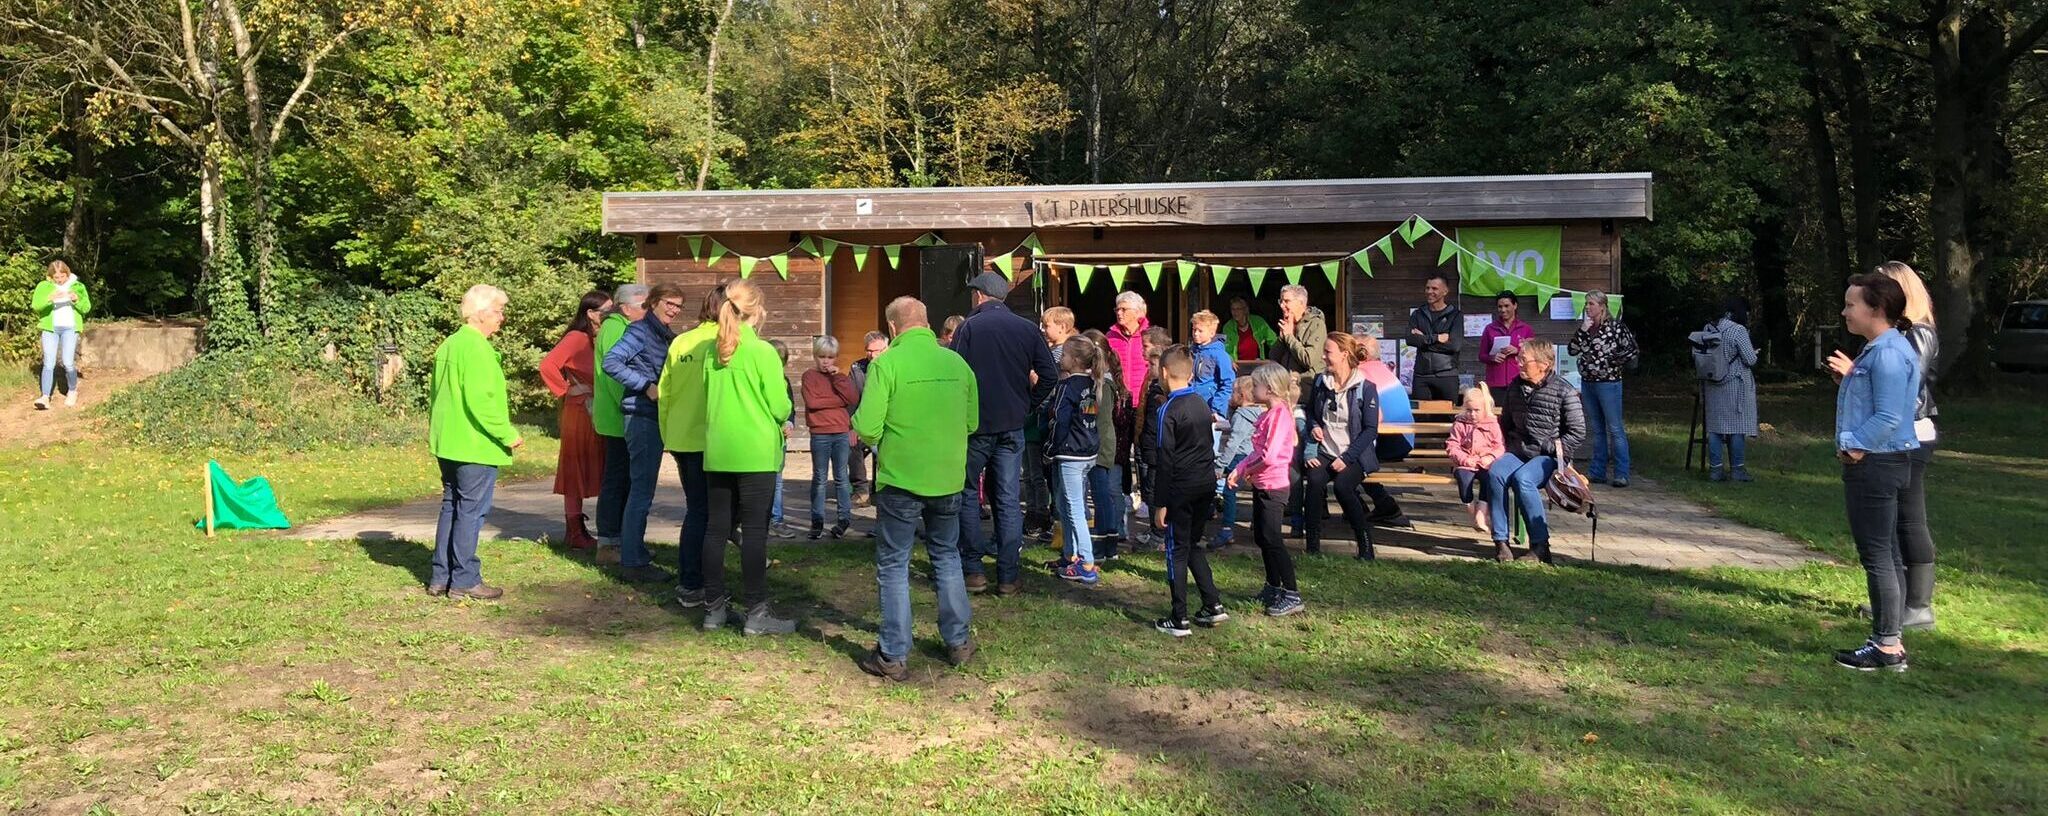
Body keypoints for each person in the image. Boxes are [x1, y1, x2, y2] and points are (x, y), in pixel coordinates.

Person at [851, 297, 980, 680]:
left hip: (901, 479)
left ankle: (893, 654)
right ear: (927, 322)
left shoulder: (886, 364)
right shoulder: (956, 362)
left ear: (892, 328)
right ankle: (958, 641)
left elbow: (868, 427)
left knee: (894, 564)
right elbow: (971, 421)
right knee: (946, 556)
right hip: (947, 478)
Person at [1829, 273, 1923, 672]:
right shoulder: (1883, 349)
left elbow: (1888, 415)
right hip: (1887, 460)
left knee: (1878, 555)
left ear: (1877, 309)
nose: (1845, 311)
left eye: (1852, 304)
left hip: (1876, 462)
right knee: (1887, 553)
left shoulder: (1885, 352)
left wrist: (1854, 445)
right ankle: (1888, 640)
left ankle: (1886, 646)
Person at [699, 279, 799, 635]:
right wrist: (784, 413)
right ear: (757, 311)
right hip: (755, 452)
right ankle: (756, 613)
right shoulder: (762, 353)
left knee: (715, 530)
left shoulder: (714, 350)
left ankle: (713, 610)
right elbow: (779, 405)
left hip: (719, 450)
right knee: (755, 533)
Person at [949, 271, 1057, 595]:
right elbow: (1049, 375)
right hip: (1013, 425)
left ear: (980, 295)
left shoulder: (968, 327)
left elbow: (954, 375)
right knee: (1009, 500)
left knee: (968, 493)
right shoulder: (1027, 328)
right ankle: (1008, 576)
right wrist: (1028, 405)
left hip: (976, 426)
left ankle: (974, 571)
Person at [426, 284, 523, 600]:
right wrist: (508, 434)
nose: (502, 318)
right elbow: (482, 402)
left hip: (448, 441)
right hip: (473, 443)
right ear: (480, 314)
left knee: (451, 507)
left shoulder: (449, 344)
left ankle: (441, 577)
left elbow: (436, 397)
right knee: (470, 511)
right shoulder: (477, 348)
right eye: (498, 311)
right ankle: (466, 579)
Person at [1869, 261, 1939, 629]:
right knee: (1896, 519)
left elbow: (1904, 384)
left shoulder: (1919, 334)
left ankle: (1919, 605)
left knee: (1909, 518)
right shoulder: (1899, 335)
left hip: (1913, 434)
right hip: (1901, 433)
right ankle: (1901, 603)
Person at [600, 283, 685, 584]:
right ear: (654, 302)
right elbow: (610, 362)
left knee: (642, 489)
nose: (674, 310)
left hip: (656, 418)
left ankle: (634, 551)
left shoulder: (665, 334)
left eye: (678, 306)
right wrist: (645, 385)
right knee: (641, 490)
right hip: (640, 417)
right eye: (669, 303)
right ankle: (633, 561)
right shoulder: (639, 330)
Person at [1150, 345, 1230, 637]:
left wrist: (1160, 503)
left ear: (1163, 373)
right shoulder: (1200, 403)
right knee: (1193, 544)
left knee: (1176, 550)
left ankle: (1178, 617)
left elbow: (1164, 459)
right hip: (1205, 483)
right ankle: (1213, 605)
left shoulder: (1167, 409)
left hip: (1180, 488)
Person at [1487, 339, 1587, 564]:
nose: (1519, 364)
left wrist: (1549, 447)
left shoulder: (1564, 391)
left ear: (1543, 364)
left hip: (1549, 456)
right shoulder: (1515, 387)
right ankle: (1501, 542)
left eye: (1524, 360)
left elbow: (1578, 432)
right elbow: (1506, 422)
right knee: (1496, 474)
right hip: (1519, 450)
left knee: (1524, 479)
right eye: (1519, 359)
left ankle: (1540, 546)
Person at [658, 284, 727, 607]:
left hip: (680, 436)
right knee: (710, 514)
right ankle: (696, 582)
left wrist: (667, 434)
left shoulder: (681, 341)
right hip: (710, 439)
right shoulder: (723, 342)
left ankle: (692, 580)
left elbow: (665, 393)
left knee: (697, 510)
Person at [537, 290, 611, 551]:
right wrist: (565, 390)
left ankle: (599, 529)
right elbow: (547, 366)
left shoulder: (600, 338)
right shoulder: (576, 338)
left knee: (599, 466)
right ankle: (574, 531)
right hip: (579, 411)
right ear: (590, 314)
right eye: (606, 311)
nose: (610, 315)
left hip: (597, 409)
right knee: (575, 468)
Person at [1228, 363, 1302, 616]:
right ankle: (1273, 585)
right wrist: (1240, 467)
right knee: (1262, 536)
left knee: (1273, 539)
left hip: (1274, 486)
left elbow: (1269, 457)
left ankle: (1291, 593)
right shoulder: (1268, 414)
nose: (1252, 388)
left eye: (1256, 384)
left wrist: (1248, 470)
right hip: (1262, 484)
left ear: (1268, 389)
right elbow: (1257, 452)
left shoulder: (1280, 415)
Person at [1302, 332, 1381, 560]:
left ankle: (1365, 545)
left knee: (1343, 488)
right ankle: (1312, 546)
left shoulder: (1365, 387)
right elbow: (1310, 412)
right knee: (1314, 482)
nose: (1324, 357)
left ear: (1345, 354)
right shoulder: (1320, 381)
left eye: (1328, 352)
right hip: (1326, 449)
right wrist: (1314, 425)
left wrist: (1346, 458)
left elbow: (1370, 430)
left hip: (1354, 453)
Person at [591, 284, 648, 558]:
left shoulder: (617, 326)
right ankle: (609, 542)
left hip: (618, 415)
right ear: (626, 308)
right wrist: (629, 409)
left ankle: (619, 540)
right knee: (617, 480)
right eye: (644, 307)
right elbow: (617, 375)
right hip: (619, 417)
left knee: (622, 478)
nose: (648, 312)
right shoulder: (616, 328)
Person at [1044, 337, 1104, 584]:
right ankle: (1070, 554)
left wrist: (1049, 448)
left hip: (1071, 453)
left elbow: (1060, 421)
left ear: (1076, 360)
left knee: (1074, 507)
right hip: (1086, 451)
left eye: (1065, 354)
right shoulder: (1090, 384)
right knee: (1065, 502)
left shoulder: (1068, 386)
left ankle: (1087, 562)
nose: (1061, 359)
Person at [1569, 291, 1640, 487]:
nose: (1587, 307)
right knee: (1598, 429)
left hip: (1609, 383)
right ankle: (1597, 471)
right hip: (1588, 382)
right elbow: (1572, 350)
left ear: (1602, 306)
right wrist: (1583, 330)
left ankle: (1621, 472)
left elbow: (1632, 349)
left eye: (1591, 304)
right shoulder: (1587, 328)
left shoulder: (1615, 328)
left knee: (1615, 428)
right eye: (1586, 304)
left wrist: (1612, 361)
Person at [1025, 307, 1079, 539]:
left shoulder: (1064, 354)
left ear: (1062, 327)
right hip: (1036, 418)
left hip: (1048, 418)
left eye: (1047, 325)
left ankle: (1046, 516)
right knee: (1032, 472)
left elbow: (1054, 384)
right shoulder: (1051, 350)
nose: (1043, 329)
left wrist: (1035, 378)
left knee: (1044, 474)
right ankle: (1037, 513)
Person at [802, 335, 860, 540]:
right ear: (815, 356)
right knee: (819, 478)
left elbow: (852, 398)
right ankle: (817, 520)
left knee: (841, 477)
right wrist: (839, 401)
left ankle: (844, 519)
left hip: (841, 432)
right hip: (820, 433)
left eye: (830, 357)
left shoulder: (840, 377)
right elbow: (813, 403)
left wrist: (838, 378)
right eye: (821, 356)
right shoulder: (809, 376)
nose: (825, 361)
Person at [1081, 329, 1130, 560]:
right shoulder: (1100, 381)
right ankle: (1108, 544)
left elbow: (1096, 415)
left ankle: (1104, 546)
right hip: (1099, 441)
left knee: (1101, 496)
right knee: (1101, 495)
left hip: (1100, 444)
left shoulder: (1103, 383)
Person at [1700, 296, 1759, 482]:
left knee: (1715, 429)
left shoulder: (1710, 327)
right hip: (1734, 384)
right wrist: (1755, 353)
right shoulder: (1738, 330)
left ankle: (1715, 470)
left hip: (1712, 384)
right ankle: (1737, 470)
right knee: (1736, 428)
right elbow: (1750, 359)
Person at [1354, 337, 1412, 524]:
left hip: (1393, 439)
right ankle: (1377, 506)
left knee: (1348, 458)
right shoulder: (1383, 369)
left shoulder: (1361, 373)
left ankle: (1382, 506)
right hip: (1405, 438)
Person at [1132, 326, 1174, 549]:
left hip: (1158, 449)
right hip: (1147, 444)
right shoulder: (1151, 380)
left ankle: (1160, 535)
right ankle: (1154, 531)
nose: (1143, 356)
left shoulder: (1164, 393)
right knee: (1148, 489)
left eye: (1146, 348)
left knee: (1157, 491)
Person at [31, 260, 91, 409]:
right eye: (56, 277)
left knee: (68, 362)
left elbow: (86, 308)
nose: (59, 280)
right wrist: (49, 299)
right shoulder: (44, 287)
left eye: (62, 276)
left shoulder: (78, 286)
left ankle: (72, 390)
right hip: (50, 328)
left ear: (67, 273)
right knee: (49, 363)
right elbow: (36, 306)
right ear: (51, 276)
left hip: (70, 328)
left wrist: (76, 300)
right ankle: (45, 397)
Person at [1447, 385, 1504, 534]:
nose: (1472, 414)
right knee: (1463, 479)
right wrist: (1465, 459)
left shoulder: (1492, 424)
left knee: (1489, 479)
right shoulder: (1460, 424)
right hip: (1466, 463)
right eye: (1469, 410)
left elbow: (1499, 446)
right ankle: (1470, 507)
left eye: (1476, 410)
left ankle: (1481, 513)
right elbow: (1452, 446)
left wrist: (1490, 457)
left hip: (1485, 463)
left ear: (1485, 409)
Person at [1213, 383, 1264, 548]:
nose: (1230, 395)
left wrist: (1220, 465)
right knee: (1257, 492)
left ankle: (1227, 528)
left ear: (1241, 395)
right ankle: (1258, 524)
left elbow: (1233, 444)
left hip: (1240, 457)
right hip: (1254, 456)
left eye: (1233, 391)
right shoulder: (1257, 413)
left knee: (1229, 491)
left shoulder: (1241, 415)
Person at [1406, 273, 1464, 401]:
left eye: (1434, 288)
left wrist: (1423, 340)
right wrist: (1436, 338)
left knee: (1447, 417)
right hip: (1421, 376)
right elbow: (1410, 339)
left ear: (1445, 291)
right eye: (1427, 288)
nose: (1429, 291)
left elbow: (1455, 346)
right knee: (1421, 418)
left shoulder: (1455, 315)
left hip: (1446, 374)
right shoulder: (1418, 314)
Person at [848, 331, 889, 507]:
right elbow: (852, 400)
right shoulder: (857, 368)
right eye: (869, 351)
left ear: (887, 348)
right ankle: (861, 490)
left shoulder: (893, 366)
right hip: (867, 424)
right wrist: (853, 426)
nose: (873, 355)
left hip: (888, 424)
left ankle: (886, 490)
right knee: (851, 442)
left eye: (878, 351)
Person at [765, 339, 798, 539]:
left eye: (781, 361)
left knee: (777, 480)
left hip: (780, 439)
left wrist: (789, 423)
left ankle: (776, 519)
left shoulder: (784, 381)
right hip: (762, 437)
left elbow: (790, 408)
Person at [1268, 284, 1328, 394]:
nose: (1282, 305)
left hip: (1307, 391)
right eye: (1281, 301)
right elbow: (1273, 357)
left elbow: (1309, 360)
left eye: (1287, 301)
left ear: (1301, 303)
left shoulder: (1316, 324)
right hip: (1286, 391)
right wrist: (1282, 338)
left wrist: (1289, 337)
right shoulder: (1288, 325)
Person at [1188, 310, 1237, 425]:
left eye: (1200, 331)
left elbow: (1228, 383)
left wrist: (1217, 409)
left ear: (1211, 333)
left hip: (1211, 410)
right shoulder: (1191, 352)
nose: (1195, 334)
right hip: (1192, 406)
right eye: (1194, 329)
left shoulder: (1219, 355)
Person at [1479, 291, 1535, 389]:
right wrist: (1492, 358)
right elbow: (1481, 356)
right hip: (1496, 381)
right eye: (1500, 307)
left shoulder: (1526, 329)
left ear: (1515, 305)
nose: (1503, 310)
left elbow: (1534, 354)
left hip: (1519, 381)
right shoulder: (1490, 329)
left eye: (1506, 306)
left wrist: (1517, 350)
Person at [1223, 296, 1277, 363]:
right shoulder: (1228, 327)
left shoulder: (1258, 322)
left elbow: (1273, 341)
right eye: (1233, 309)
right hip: (1238, 365)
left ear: (1245, 310)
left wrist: (1277, 358)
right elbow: (1227, 349)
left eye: (1238, 309)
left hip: (1257, 364)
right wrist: (1231, 361)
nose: (1235, 312)